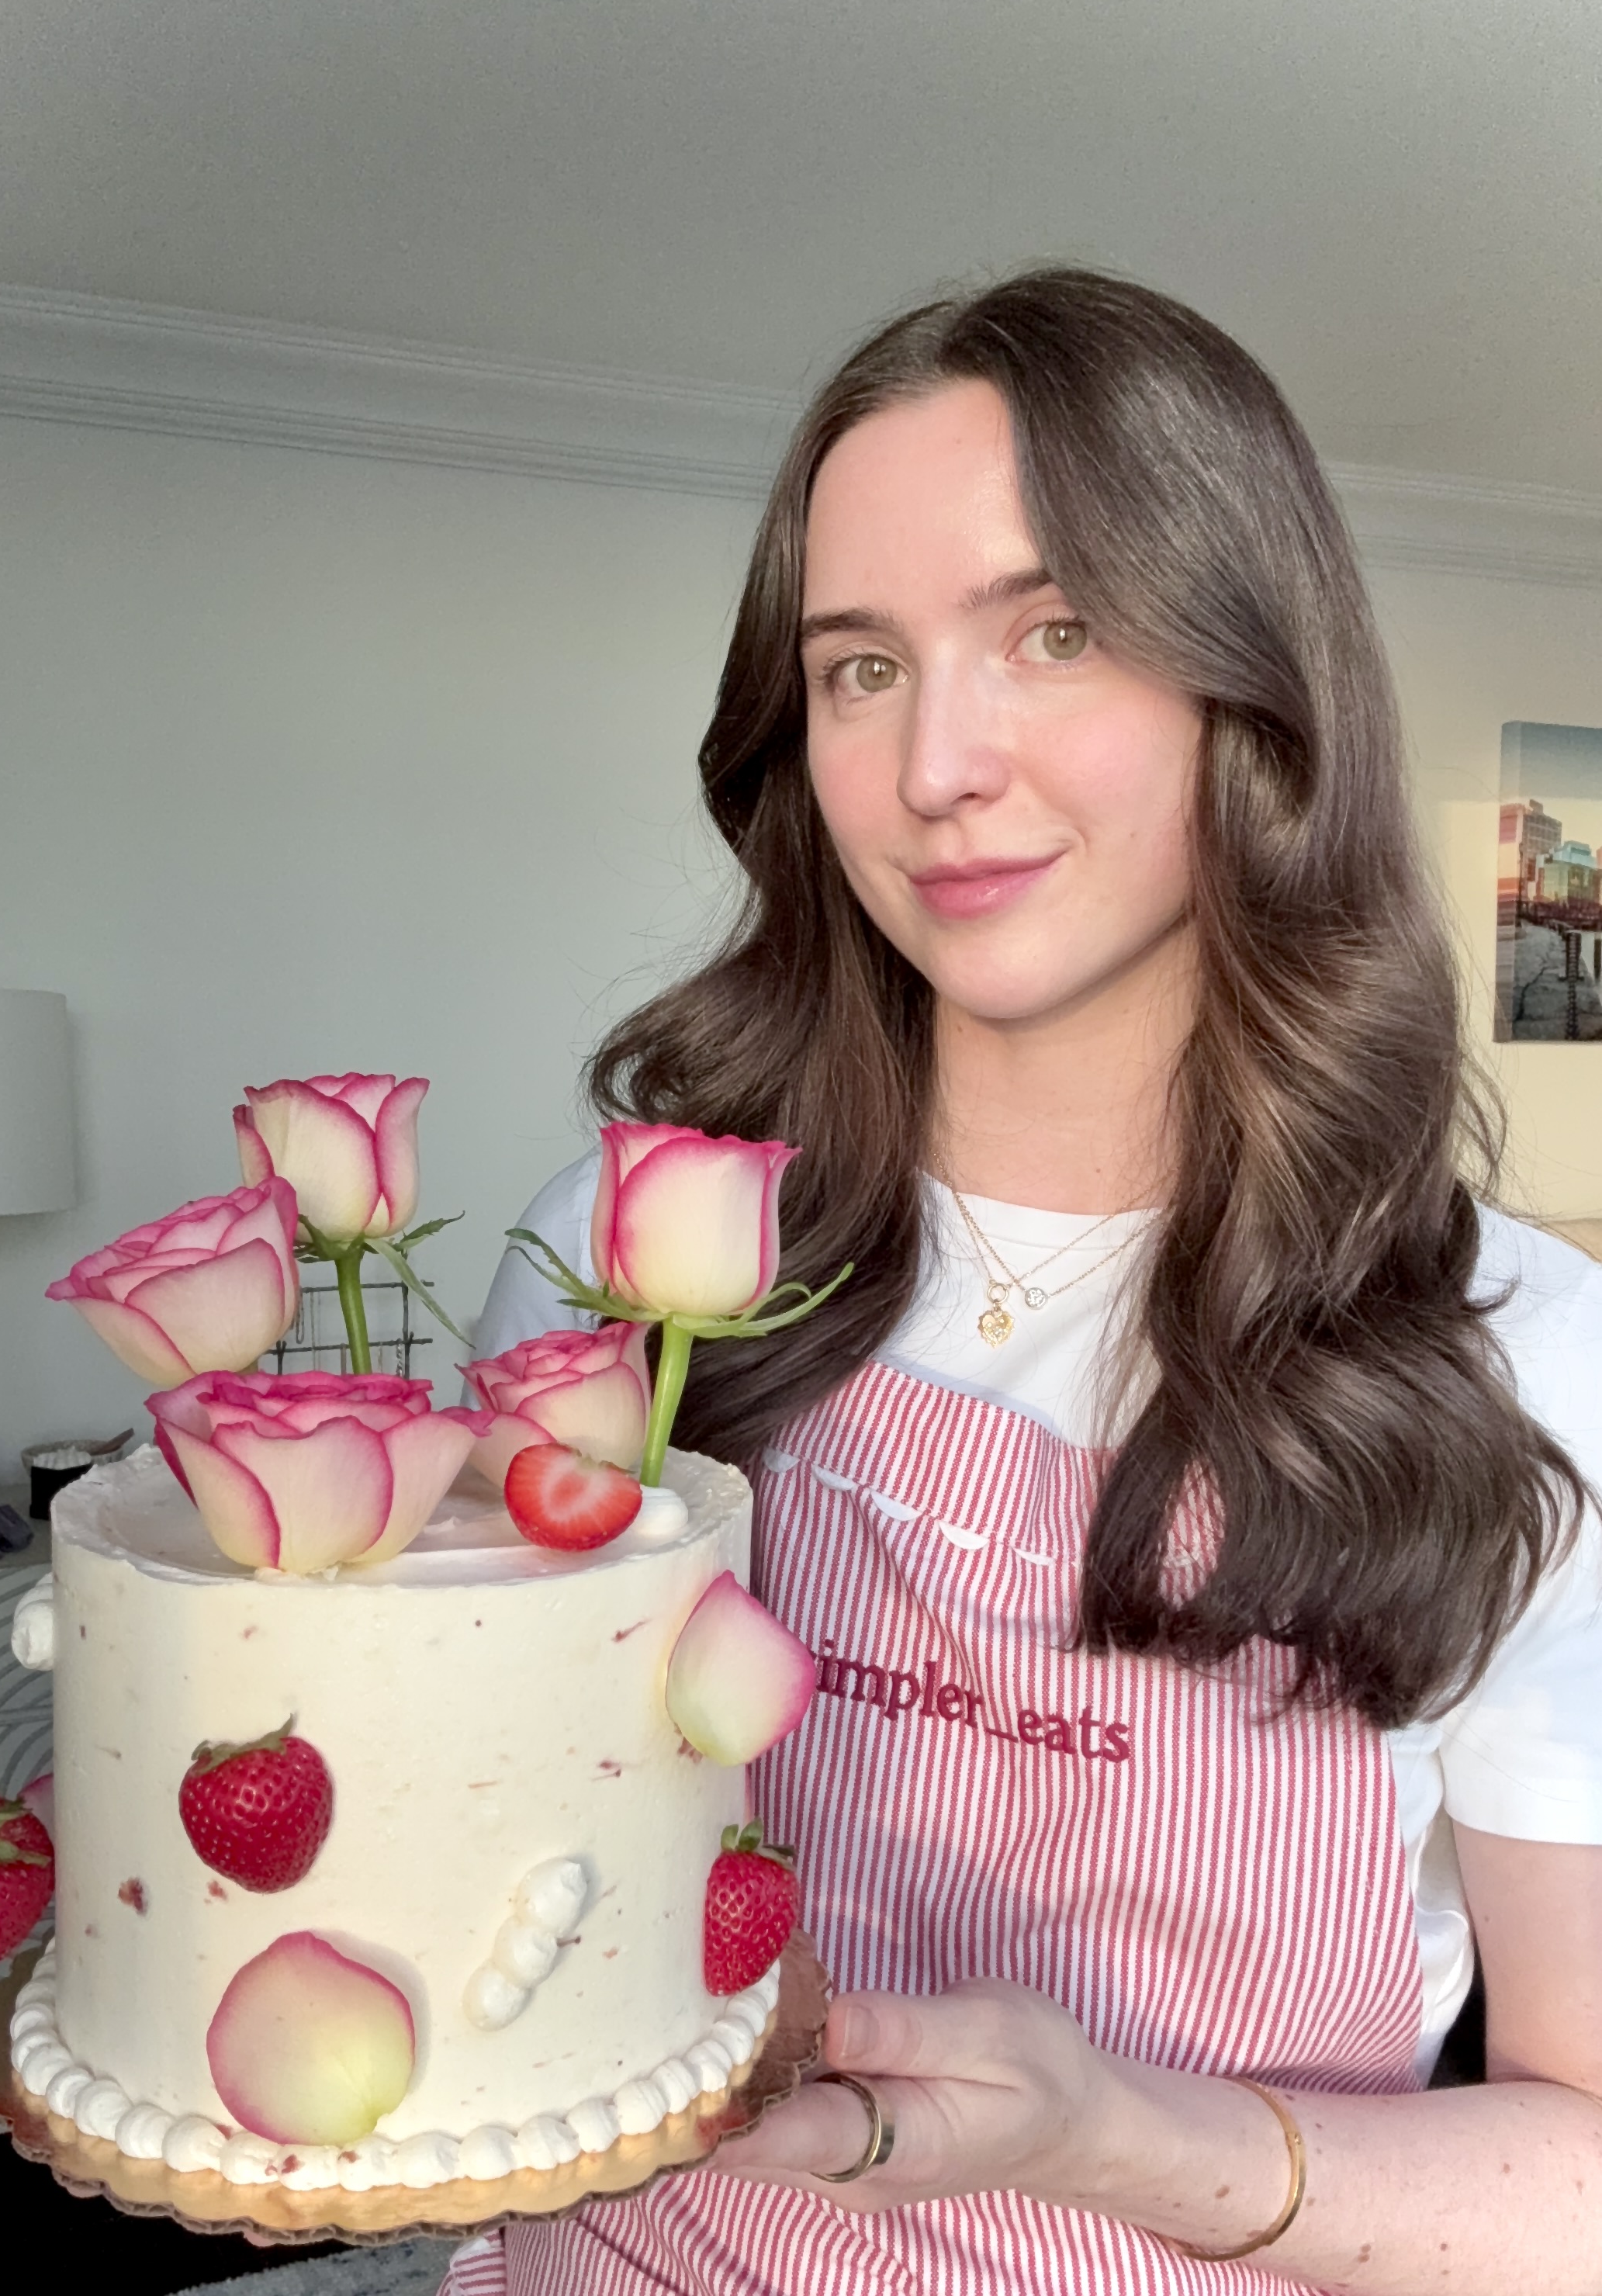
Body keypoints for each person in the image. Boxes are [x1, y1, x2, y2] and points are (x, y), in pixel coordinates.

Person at [453, 269, 1602, 2293]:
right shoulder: (636, 1249)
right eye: (858, 668)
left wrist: (1110, 2133)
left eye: (1052, 633)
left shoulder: (1529, 1365)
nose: (935, 767)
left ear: (1253, 695)